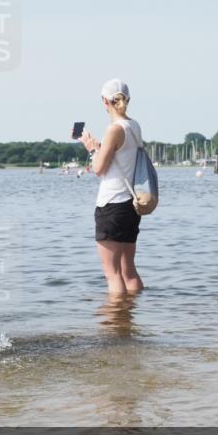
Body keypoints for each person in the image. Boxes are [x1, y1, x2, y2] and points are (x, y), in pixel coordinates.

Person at [80, 79, 145, 295]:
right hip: (131, 204)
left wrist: (91, 149)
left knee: (112, 273)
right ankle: (132, 315)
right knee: (129, 271)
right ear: (128, 100)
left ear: (104, 101)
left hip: (112, 204)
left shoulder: (114, 129)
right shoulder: (134, 126)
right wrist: (101, 148)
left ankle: (117, 324)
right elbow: (119, 159)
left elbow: (99, 168)